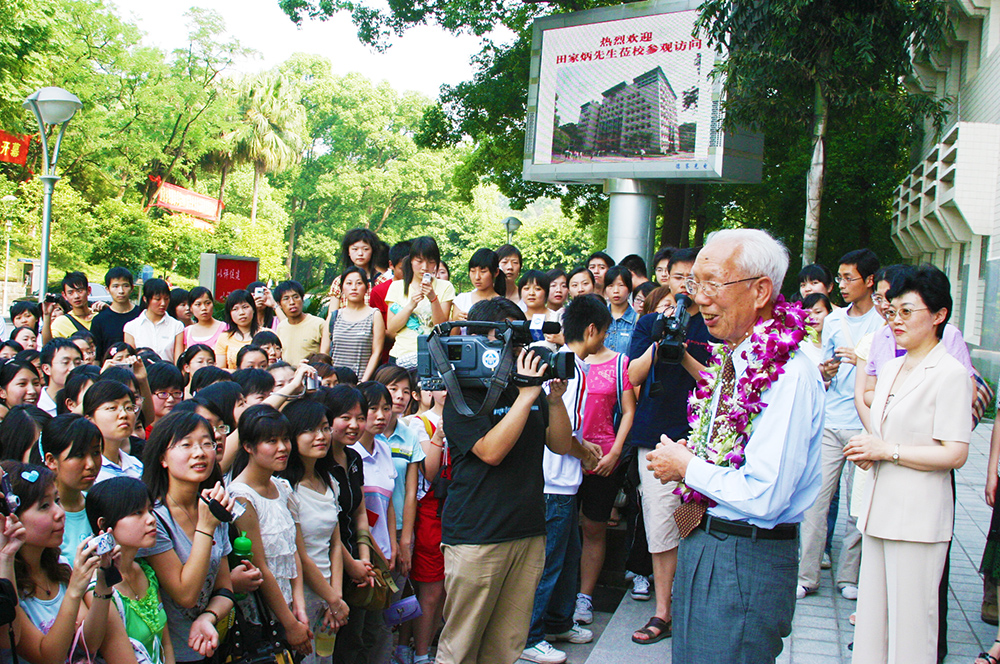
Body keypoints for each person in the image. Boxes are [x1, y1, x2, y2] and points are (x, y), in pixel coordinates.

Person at [646, 228, 824, 663]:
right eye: (693, 285)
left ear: (761, 290)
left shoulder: (788, 374)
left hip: (744, 555)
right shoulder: (734, 356)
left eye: (711, 284)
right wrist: (697, 452)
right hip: (706, 541)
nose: (698, 299)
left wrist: (688, 467)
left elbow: (765, 493)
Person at [844, 265, 971, 664]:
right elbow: (881, 428)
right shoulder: (894, 366)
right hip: (879, 510)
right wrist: (870, 451)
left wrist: (888, 451)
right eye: (892, 311)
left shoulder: (950, 373)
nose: (896, 321)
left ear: (939, 316)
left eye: (907, 311)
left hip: (918, 519)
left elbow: (955, 453)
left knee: (912, 632)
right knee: (871, 627)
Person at [437, 296, 575, 664]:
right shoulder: (463, 391)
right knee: (461, 645)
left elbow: (561, 445)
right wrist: (527, 395)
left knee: (506, 645)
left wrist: (555, 399)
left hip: (527, 531)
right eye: (509, 340)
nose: (518, 349)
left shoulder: (525, 386)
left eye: (520, 340)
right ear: (483, 338)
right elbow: (490, 452)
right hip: (478, 535)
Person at [626, 284, 711, 645]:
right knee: (661, 524)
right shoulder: (648, 323)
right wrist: (659, 347)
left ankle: (693, 605)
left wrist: (684, 353)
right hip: (656, 437)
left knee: (695, 524)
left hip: (703, 440)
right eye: (681, 278)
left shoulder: (713, 324)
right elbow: (632, 376)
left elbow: (716, 380)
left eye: (695, 278)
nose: (687, 286)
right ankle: (663, 611)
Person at [797, 248, 884, 601]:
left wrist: (864, 362)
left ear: (870, 281)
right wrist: (826, 371)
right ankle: (807, 575)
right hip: (832, 421)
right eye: (842, 277)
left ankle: (850, 576)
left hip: (867, 424)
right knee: (817, 500)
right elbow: (822, 373)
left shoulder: (886, 322)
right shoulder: (833, 320)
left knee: (858, 504)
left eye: (850, 278)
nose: (844, 285)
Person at [139, 411, 251, 663]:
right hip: (169, 654)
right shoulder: (153, 519)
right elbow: (186, 595)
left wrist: (209, 616)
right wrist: (206, 527)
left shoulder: (211, 506)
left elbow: (224, 587)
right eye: (186, 444)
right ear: (162, 458)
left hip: (210, 644)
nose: (199, 452)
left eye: (206, 443)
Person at [1, 460, 127, 662]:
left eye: (57, 500)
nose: (59, 513)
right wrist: (75, 589)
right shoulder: (8, 582)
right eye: (44, 506)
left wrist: (103, 584)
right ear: (12, 519)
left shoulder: (58, 565)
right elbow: (48, 657)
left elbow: (88, 643)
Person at [562, 295, 636, 629]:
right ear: (592, 328)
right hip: (565, 458)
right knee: (563, 528)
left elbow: (629, 410)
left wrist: (616, 452)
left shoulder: (619, 362)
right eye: (604, 330)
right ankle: (560, 596)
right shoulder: (562, 362)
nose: (607, 337)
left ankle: (584, 597)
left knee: (594, 527)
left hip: (602, 459)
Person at [228, 404, 313, 658]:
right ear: (248, 446)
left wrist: (299, 605)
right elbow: (261, 565)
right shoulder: (241, 497)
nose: (283, 447)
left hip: (290, 608)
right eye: (271, 441)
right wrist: (290, 623)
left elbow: (293, 550)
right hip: (263, 617)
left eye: (285, 439)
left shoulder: (282, 487)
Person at [278, 398, 349, 664]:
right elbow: (300, 554)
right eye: (310, 430)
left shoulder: (329, 480)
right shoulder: (285, 488)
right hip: (300, 599)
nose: (321, 436)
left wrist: (336, 596)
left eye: (325, 428)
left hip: (328, 597)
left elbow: (335, 544)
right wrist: (334, 600)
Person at [84, 476, 175, 664]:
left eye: (150, 510)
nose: (151, 519)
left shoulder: (145, 570)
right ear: (103, 525)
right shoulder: (97, 588)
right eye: (137, 512)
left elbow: (165, 643)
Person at [385, 236, 455, 369]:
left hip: (432, 355)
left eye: (431, 262)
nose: (425, 267)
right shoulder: (397, 287)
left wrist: (433, 298)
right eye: (419, 261)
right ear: (410, 260)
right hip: (401, 355)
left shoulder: (445, 286)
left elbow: (440, 326)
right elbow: (392, 328)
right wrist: (411, 305)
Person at [41, 414, 102, 564]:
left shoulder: (101, 505)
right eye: (79, 455)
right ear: (51, 460)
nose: (91, 465)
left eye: (95, 453)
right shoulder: (41, 519)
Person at [328, 267, 384, 382]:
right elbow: (324, 353)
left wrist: (363, 382)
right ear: (342, 288)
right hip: (334, 385)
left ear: (367, 288)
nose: (354, 287)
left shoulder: (374, 315)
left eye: (359, 283)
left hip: (361, 383)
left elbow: (377, 353)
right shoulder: (334, 316)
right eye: (349, 283)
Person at [124, 279, 185, 363]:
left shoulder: (177, 326)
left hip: (168, 373)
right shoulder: (131, 327)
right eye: (157, 299)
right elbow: (130, 359)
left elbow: (178, 360)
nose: (163, 303)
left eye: (166, 299)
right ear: (145, 299)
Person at [91, 267, 141, 359]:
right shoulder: (99, 321)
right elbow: (97, 356)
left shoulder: (141, 315)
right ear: (107, 289)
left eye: (125, 286)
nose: (121, 291)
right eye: (115, 286)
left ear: (132, 287)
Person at [327, 228, 384, 310]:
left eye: (365, 249)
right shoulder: (339, 281)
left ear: (373, 251)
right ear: (348, 252)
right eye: (355, 249)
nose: (360, 253)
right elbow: (332, 315)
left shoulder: (382, 281)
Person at [275, 280, 328, 365]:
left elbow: (325, 357)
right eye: (286, 298)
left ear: (302, 299)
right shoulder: (281, 327)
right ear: (279, 304)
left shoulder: (319, 324)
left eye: (296, 297)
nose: (292, 302)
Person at [452, 248, 505, 321]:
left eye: (483, 271)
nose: (477, 277)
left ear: (496, 272)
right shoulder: (462, 300)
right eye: (473, 271)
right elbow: (454, 332)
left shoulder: (503, 304)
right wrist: (456, 320)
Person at [176, 287, 226, 360]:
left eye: (208, 303)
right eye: (198, 304)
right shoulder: (187, 332)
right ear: (191, 308)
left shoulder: (225, 328)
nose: (204, 308)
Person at [214, 289, 259, 370]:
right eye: (235, 309)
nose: (241, 312)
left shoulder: (266, 334)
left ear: (253, 309)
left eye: (245, 307)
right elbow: (220, 369)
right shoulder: (224, 338)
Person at [38, 339, 84, 415]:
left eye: (77, 363)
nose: (73, 368)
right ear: (47, 369)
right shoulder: (38, 406)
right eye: (65, 363)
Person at [45, 271, 95, 340]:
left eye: (80, 291)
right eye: (70, 293)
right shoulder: (61, 323)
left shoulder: (99, 317)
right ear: (64, 295)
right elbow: (48, 346)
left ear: (89, 290)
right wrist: (46, 315)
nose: (76, 296)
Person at [603, 265, 637, 353]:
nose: (616, 290)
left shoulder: (637, 320)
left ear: (629, 289)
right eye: (611, 286)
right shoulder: (599, 318)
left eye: (621, 285)